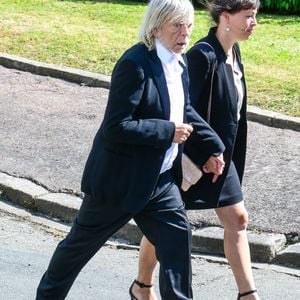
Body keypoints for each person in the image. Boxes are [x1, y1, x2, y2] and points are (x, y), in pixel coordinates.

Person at [35, 0, 226, 299]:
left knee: (177, 240)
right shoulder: (134, 64)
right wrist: (167, 132)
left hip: (160, 182)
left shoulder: (180, 61)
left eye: (188, 25)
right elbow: (117, 126)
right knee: (75, 251)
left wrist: (211, 148)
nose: (185, 33)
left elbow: (183, 109)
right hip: (119, 183)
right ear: (156, 25)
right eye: (177, 25)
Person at [133, 1, 261, 300]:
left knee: (237, 220)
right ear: (226, 17)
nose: (254, 22)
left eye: (255, 16)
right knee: (164, 224)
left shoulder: (232, 52)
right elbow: (181, 109)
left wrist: (220, 153)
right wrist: (205, 152)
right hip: (193, 157)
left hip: (220, 157)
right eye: (249, 16)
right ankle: (142, 286)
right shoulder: (202, 55)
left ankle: (248, 295)